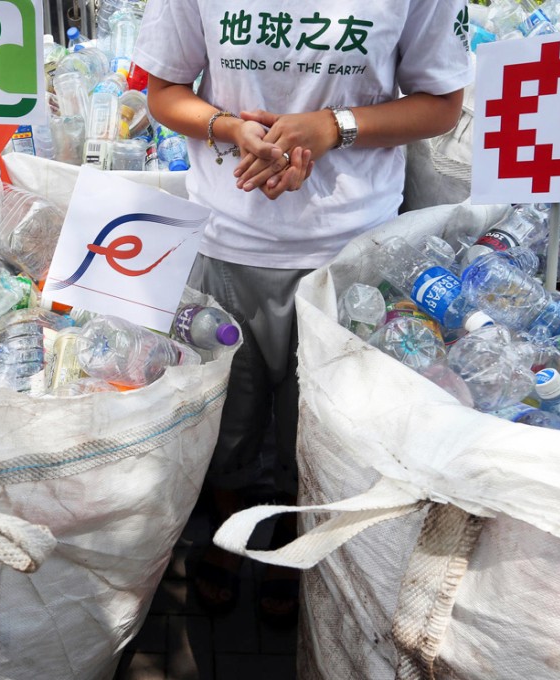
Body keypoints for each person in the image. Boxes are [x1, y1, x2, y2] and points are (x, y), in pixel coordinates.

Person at [133, 1, 473, 627]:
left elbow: (441, 102)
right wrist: (230, 127)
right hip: (226, 241)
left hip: (348, 257)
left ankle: (291, 550)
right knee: (227, 424)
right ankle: (227, 537)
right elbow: (165, 92)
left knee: (314, 430)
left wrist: (333, 126)